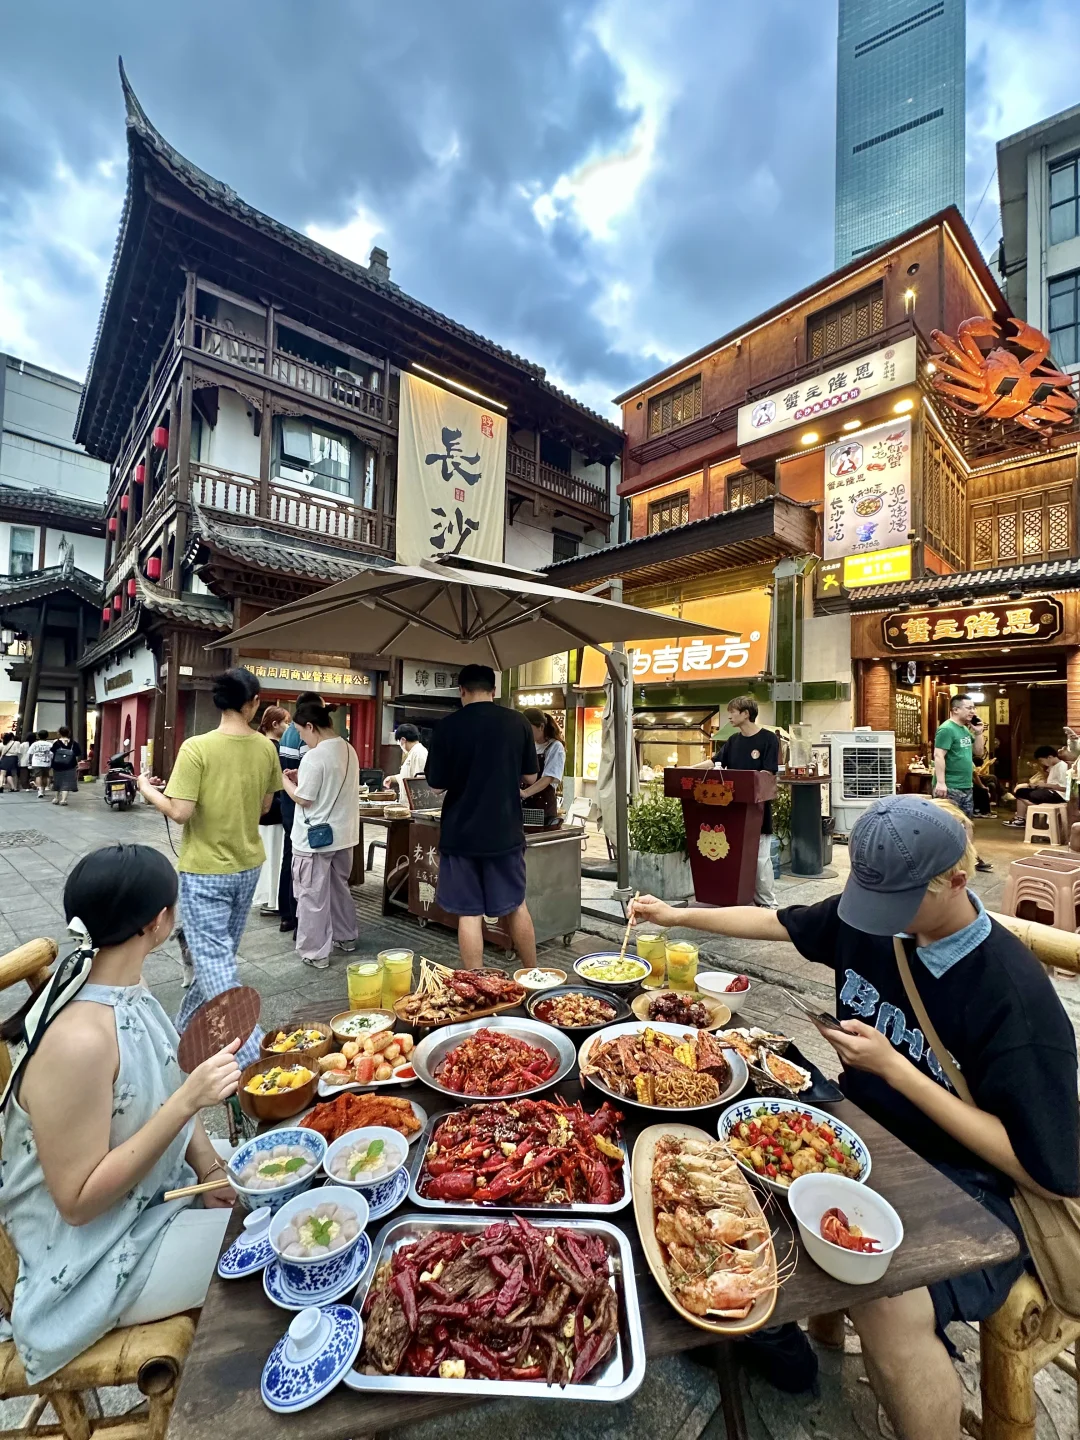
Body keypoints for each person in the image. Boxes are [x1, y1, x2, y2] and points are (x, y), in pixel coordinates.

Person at [632, 794, 1079, 1440]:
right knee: (721, 1127)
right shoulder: (872, 918)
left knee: (885, 1295)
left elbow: (1043, 1168)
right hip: (863, 1134)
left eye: (899, 904)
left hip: (979, 1188)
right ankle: (778, 1334)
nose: (877, 922)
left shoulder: (1014, 1001)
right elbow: (781, 924)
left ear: (957, 880)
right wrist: (673, 914)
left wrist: (897, 1070)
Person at [0, 843, 241, 1384]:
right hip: (92, 1261)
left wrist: (209, 1170)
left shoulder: (122, 984)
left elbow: (163, 1088)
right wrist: (187, 1100)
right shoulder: (80, 1039)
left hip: (154, 1195)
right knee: (263, 1247)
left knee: (273, 1181)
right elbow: (77, 1202)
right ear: (160, 922)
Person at [137, 667, 281, 1065]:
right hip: (248, 865)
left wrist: (148, 790)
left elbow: (181, 812)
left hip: (205, 870)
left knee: (215, 962)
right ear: (252, 703)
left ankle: (256, 1058)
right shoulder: (266, 749)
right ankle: (182, 1029)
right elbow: (267, 806)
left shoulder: (196, 748)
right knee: (215, 958)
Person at [424, 664, 539, 971]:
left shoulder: (447, 726)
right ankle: (533, 977)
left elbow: (435, 783)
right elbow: (530, 775)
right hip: (505, 832)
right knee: (516, 907)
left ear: (461, 691)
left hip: (460, 835)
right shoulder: (518, 722)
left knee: (469, 914)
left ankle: (476, 987)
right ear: (493, 690)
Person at [280, 700, 360, 971]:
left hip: (314, 840)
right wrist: (300, 775)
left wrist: (285, 782)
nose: (301, 737)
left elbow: (304, 799)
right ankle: (346, 937)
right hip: (344, 835)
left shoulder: (315, 755)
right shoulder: (348, 749)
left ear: (311, 726)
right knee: (339, 889)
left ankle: (315, 952)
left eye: (301, 732)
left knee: (311, 895)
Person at [714, 694, 779, 907]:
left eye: (733, 712)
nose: (729, 716)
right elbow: (715, 762)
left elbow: (768, 773)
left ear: (746, 714)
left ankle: (768, 904)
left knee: (760, 860)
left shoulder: (769, 739)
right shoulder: (733, 741)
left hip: (758, 810)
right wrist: (686, 770)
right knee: (735, 858)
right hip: (733, 810)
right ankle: (740, 899)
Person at [276, 692, 323, 935]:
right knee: (304, 862)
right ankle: (300, 915)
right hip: (299, 802)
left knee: (289, 857)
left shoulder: (288, 733)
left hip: (287, 802)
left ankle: (286, 914)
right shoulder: (307, 735)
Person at [933, 694, 992, 872]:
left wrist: (979, 732)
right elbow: (938, 755)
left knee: (967, 822)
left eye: (974, 708)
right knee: (949, 824)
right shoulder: (947, 729)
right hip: (950, 785)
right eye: (969, 708)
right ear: (955, 709)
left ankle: (969, 857)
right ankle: (945, 862)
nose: (973, 711)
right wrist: (941, 783)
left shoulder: (965, 729)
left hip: (966, 784)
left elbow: (979, 753)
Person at [252, 706, 290, 912]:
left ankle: (268, 898)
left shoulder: (258, 745)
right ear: (275, 724)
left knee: (268, 857)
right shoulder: (273, 747)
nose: (289, 726)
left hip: (262, 813)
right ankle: (274, 900)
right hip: (275, 810)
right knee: (276, 857)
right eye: (286, 722)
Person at [519, 709, 566, 828]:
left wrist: (525, 793)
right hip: (525, 806)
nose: (526, 733)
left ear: (541, 726)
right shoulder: (529, 746)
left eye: (529, 729)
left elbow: (548, 777)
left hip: (543, 809)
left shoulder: (555, 747)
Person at [1004, 744, 1069, 829]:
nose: (1042, 763)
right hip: (1050, 791)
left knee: (1032, 795)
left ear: (1049, 757)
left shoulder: (1063, 766)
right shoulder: (1052, 767)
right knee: (1020, 791)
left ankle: (1033, 812)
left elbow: (1065, 788)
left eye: (1042, 760)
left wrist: (1045, 785)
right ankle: (1021, 818)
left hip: (1059, 795)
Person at [387, 724, 428, 800]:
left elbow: (420, 782)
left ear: (403, 740)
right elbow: (408, 776)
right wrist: (392, 778)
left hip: (414, 805)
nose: (399, 744)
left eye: (398, 741)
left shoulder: (419, 753)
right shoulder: (413, 752)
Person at [49, 725, 81, 807]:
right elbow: (77, 755)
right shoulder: (74, 743)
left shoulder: (56, 743)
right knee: (67, 782)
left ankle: (56, 798)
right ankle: (63, 800)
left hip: (57, 765)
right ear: (69, 733)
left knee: (57, 781)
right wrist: (76, 764)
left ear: (59, 733)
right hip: (70, 765)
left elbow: (52, 753)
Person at [27, 730, 53, 798]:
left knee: (38, 776)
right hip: (46, 762)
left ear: (38, 736)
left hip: (36, 762)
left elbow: (30, 753)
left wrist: (30, 762)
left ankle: (40, 790)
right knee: (45, 776)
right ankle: (43, 790)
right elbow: (53, 754)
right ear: (47, 736)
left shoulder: (35, 744)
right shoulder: (50, 744)